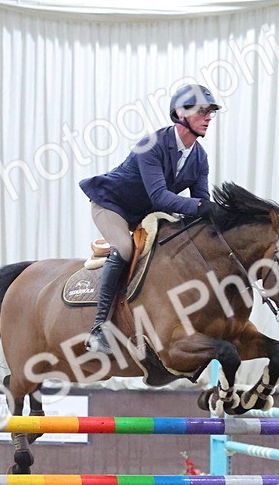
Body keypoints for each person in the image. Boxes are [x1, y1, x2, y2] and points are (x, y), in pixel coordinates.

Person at [79, 84, 222, 354]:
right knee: (124, 248)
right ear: (180, 113)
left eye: (210, 112)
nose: (208, 117)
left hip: (144, 214)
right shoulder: (152, 145)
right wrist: (203, 206)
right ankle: (100, 328)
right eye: (202, 111)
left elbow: (200, 203)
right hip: (112, 206)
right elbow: (160, 197)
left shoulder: (199, 157)